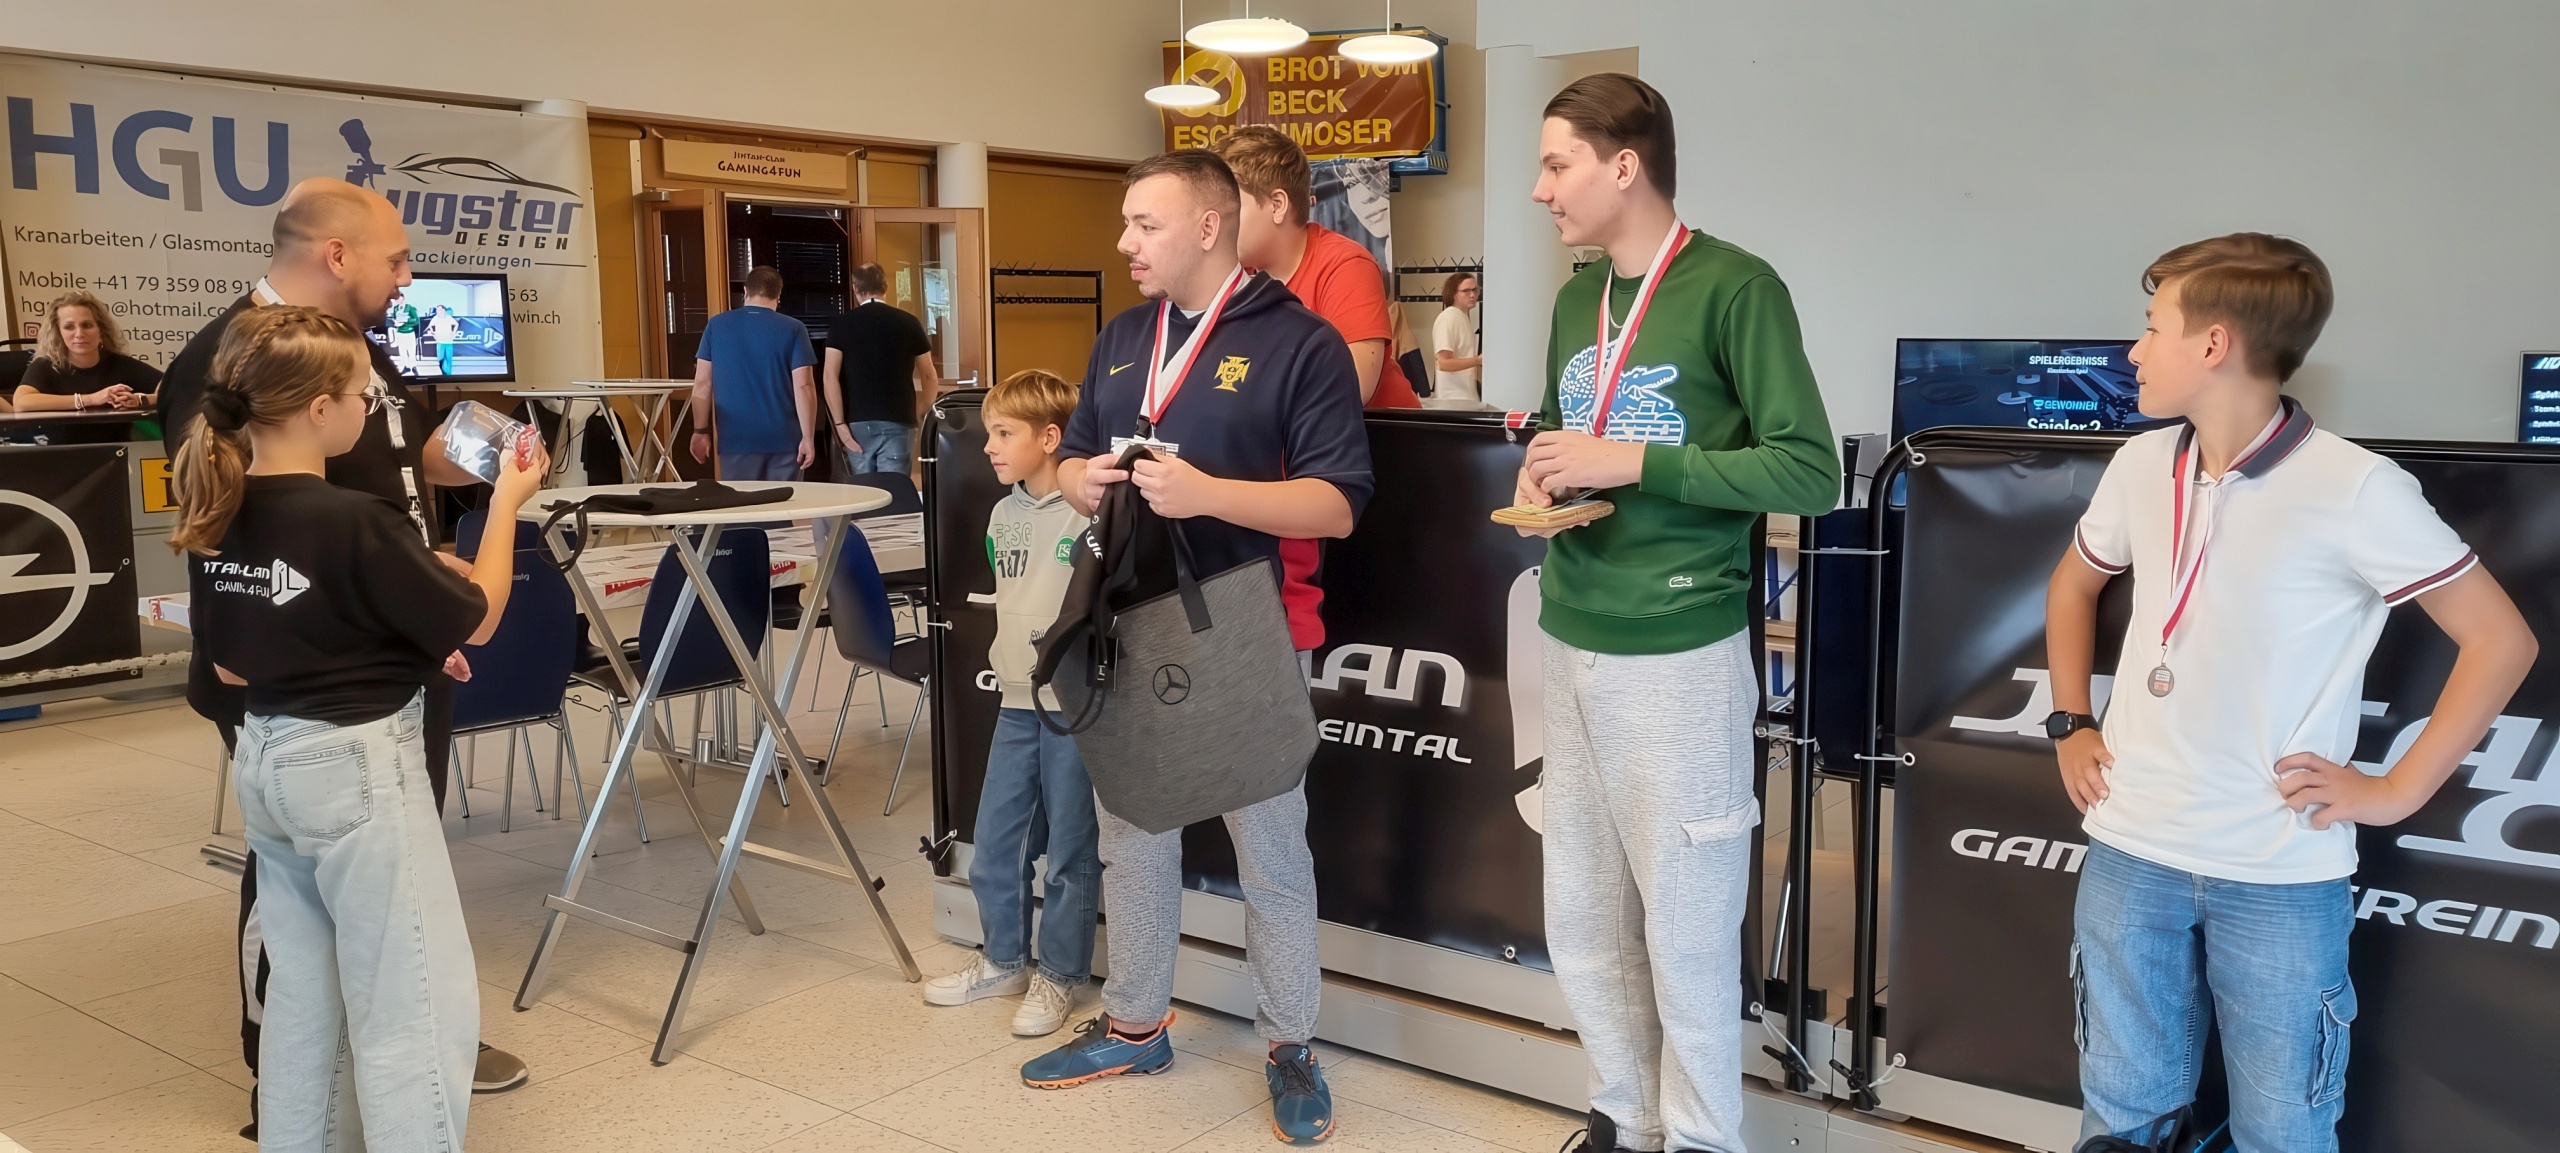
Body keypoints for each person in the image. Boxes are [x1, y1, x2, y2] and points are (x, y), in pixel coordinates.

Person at [2046, 233, 2538, 1152]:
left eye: (2151, 327)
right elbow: (2075, 583)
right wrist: (2070, 720)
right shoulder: (2142, 464)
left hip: (2278, 870)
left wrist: (2396, 789)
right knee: (2121, 1120)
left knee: (2284, 1131)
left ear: (2214, 343)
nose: (2134, 350)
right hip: (2130, 847)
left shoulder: (2356, 486)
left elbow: (2501, 640)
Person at [158, 177, 532, 1137]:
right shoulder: (224, 361)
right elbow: (238, 556)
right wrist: (496, 516)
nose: (408, 279)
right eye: (397, 259)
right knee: (409, 982)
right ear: (336, 255)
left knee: (336, 950)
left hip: (368, 660)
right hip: (323, 702)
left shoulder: (349, 348)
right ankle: (313, 1084)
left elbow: (387, 469)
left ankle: (318, 1104)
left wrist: (399, 616)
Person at [1509, 74, 1841, 1153]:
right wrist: (1547, 468)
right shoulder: (1577, 301)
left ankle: (1702, 1137)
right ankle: (1623, 1112)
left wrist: (1632, 460)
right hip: (1571, 629)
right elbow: (1568, 426)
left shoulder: (1737, 287)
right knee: (1583, 908)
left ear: (1624, 165)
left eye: (1556, 164)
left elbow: (1809, 472)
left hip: (1680, 649)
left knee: (1686, 924)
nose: (1538, 189)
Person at [1018, 149, 1371, 1147]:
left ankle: (1291, 1043)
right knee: (1133, 839)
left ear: (1209, 228)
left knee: (1272, 855)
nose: (1124, 242)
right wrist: (1083, 479)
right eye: (1127, 223)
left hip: (1251, 630)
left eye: (1146, 224)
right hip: (1129, 624)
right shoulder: (1124, 336)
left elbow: (1338, 504)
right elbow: (1073, 456)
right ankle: (1136, 1025)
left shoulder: (1298, 342)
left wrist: (1206, 493)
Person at [923, 368, 1100, 1038]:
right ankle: (1003, 961)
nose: (989, 446)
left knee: (1071, 851)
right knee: (996, 845)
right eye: (989, 433)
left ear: (1050, 438)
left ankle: (1059, 975)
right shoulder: (1002, 515)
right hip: (1016, 702)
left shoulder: (1091, 513)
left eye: (1003, 433)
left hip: (1074, 708)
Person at [1213, 125, 1419, 410]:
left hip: (1379, 435)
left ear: (1277, 205)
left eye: (1230, 209)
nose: (1217, 225)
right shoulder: (1237, 279)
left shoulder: (1345, 266)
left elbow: (1353, 387)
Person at [689, 265, 817, 481]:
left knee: (742, 502)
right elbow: (804, 386)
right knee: (783, 501)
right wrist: (808, 437)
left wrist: (700, 431)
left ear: (746, 291)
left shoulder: (716, 326)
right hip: (784, 440)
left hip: (736, 439)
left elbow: (702, 384)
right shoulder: (794, 328)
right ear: (778, 295)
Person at [822, 261, 936, 476]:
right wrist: (923, 408)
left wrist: (839, 424)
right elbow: (929, 374)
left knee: (865, 490)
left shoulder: (841, 325)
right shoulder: (909, 322)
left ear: (855, 288)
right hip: (899, 418)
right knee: (893, 488)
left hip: (857, 422)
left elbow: (830, 377)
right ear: (886, 287)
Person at [13, 290, 162, 413]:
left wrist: (141, 400)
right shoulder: (46, 365)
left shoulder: (120, 363)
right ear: (58, 333)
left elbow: (171, 387)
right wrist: (90, 399)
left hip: (119, 441)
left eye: (87, 325)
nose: (79, 334)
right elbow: (21, 403)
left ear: (101, 330)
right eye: (69, 327)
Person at [1429, 273, 1484, 409]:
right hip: (1453, 401)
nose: (1473, 295)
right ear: (1454, 294)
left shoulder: (1462, 317)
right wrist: (1478, 360)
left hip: (1466, 399)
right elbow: (1443, 363)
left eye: (1475, 290)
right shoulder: (1448, 318)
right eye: (1466, 291)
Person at [425, 303, 461, 377]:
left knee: (448, 358)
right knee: (440, 358)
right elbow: (430, 326)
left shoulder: (449, 318)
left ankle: (449, 374)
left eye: (440, 309)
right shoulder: (435, 318)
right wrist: (433, 333)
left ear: (444, 310)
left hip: (448, 341)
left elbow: (456, 324)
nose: (438, 311)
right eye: (437, 310)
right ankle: (442, 374)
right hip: (440, 341)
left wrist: (453, 332)